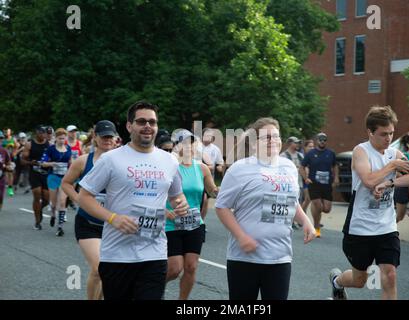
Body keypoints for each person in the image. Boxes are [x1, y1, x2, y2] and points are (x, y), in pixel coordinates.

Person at [77, 101, 189, 300]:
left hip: (154, 253)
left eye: (152, 122)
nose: (148, 126)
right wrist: (113, 218)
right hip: (117, 255)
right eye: (141, 121)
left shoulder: (169, 161)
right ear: (129, 126)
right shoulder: (111, 159)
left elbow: (176, 195)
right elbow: (84, 196)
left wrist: (181, 203)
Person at [215, 117, 316, 300]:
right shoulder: (240, 169)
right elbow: (222, 207)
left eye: (276, 136)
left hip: (280, 256)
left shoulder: (289, 167)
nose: (272, 141)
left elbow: (289, 201)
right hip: (245, 258)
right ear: (254, 143)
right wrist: (242, 237)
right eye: (266, 137)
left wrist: (305, 220)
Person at [329, 105, 409, 300]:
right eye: (383, 134)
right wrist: (393, 165)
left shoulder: (394, 153)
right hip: (360, 227)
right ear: (370, 132)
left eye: (391, 133)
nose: (388, 138)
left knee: (390, 275)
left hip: (386, 227)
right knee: (360, 279)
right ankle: (337, 281)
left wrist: (390, 182)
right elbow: (369, 181)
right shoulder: (361, 151)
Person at [62, 120, 117, 300]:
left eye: (110, 136)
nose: (107, 140)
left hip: (114, 225)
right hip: (88, 223)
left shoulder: (124, 162)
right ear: (95, 137)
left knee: (108, 271)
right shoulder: (83, 161)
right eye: (104, 136)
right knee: (99, 267)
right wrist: (79, 199)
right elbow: (66, 183)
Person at [165, 130, 219, 299]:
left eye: (191, 142)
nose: (188, 146)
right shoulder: (169, 167)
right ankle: (150, 287)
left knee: (191, 267)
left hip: (195, 224)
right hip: (171, 223)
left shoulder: (202, 168)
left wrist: (225, 191)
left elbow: (212, 190)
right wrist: (166, 212)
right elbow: (157, 193)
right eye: (184, 143)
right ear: (176, 145)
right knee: (174, 268)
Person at [300, 132, 339, 237]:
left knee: (326, 209)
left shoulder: (331, 153)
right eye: (320, 139)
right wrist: (306, 178)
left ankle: (315, 225)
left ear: (326, 141)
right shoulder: (311, 154)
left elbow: (335, 166)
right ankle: (316, 228)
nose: (322, 141)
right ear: (317, 140)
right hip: (314, 184)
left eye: (324, 140)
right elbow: (301, 167)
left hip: (327, 184)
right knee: (318, 206)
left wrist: (336, 178)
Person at [41, 128, 72, 236]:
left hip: (64, 179)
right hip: (53, 177)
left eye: (64, 138)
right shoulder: (51, 149)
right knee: (54, 204)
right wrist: (52, 164)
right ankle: (53, 214)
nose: (62, 140)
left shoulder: (68, 149)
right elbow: (42, 163)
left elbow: (71, 162)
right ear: (56, 138)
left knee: (63, 201)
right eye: (60, 138)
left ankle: (60, 227)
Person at [21, 125, 50, 230]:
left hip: (46, 173)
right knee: (37, 194)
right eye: (40, 133)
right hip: (34, 173)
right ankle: (37, 221)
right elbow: (22, 160)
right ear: (36, 133)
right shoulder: (29, 144)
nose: (42, 135)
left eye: (44, 133)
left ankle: (39, 209)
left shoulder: (48, 144)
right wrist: (30, 162)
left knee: (47, 199)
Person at [280, 136, 304, 229]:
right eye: (295, 143)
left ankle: (295, 220)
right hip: (288, 184)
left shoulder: (300, 155)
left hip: (299, 183)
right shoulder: (283, 156)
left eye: (298, 143)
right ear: (290, 143)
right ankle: (290, 221)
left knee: (299, 202)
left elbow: (304, 167)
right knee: (288, 202)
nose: (298, 144)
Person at [301, 139, 315, 213]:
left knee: (308, 200)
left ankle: (303, 216)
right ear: (305, 147)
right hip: (304, 181)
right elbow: (302, 168)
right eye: (310, 146)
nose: (312, 148)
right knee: (307, 199)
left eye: (313, 146)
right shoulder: (303, 156)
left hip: (311, 181)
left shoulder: (314, 156)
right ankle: (301, 217)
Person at [0, 131, 12, 211]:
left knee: (0, 196)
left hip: (1, 177)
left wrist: (8, 167)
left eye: (0, 138)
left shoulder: (4, 151)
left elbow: (9, 164)